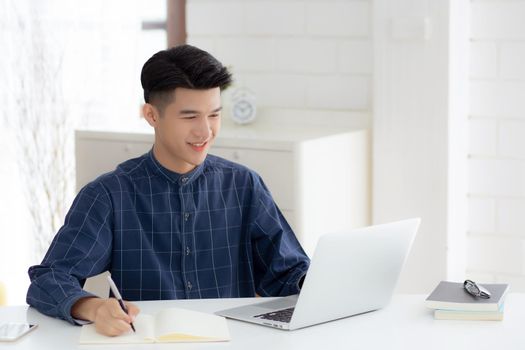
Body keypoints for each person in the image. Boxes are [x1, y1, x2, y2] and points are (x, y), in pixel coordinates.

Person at [26, 45, 310, 336]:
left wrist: (325, 283)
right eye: (190, 117)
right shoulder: (109, 195)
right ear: (151, 115)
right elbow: (49, 280)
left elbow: (288, 274)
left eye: (214, 115)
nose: (205, 131)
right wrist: (94, 307)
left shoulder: (245, 186)